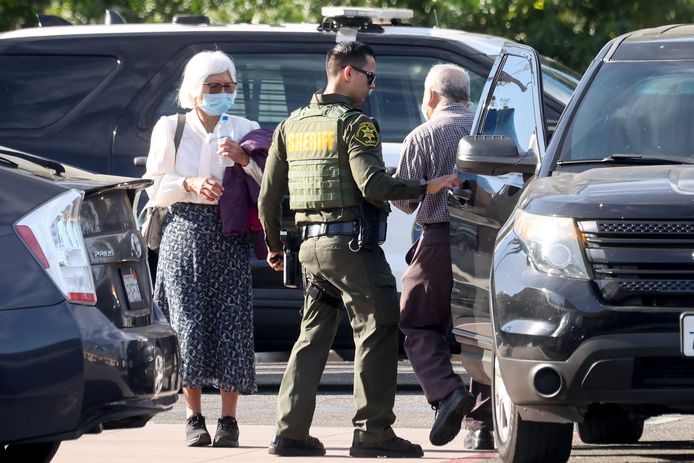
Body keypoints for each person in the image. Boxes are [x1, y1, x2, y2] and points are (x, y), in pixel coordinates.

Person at [258, 40, 463, 458]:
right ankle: (373, 433)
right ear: (348, 73)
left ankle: (289, 433)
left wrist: (275, 245)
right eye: (370, 76)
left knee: (311, 336)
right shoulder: (357, 124)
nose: (372, 85)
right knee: (380, 325)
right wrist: (429, 185)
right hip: (350, 246)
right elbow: (374, 185)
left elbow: (268, 197)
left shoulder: (291, 124)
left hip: (309, 249)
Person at [143, 50, 260, 448]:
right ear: (195, 91)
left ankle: (229, 420)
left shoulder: (245, 127)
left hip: (229, 233)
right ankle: (193, 417)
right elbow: (155, 186)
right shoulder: (171, 127)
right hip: (184, 231)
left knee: (231, 324)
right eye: (214, 87)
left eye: (229, 87)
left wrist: (244, 159)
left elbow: (269, 181)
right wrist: (191, 184)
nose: (223, 93)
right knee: (187, 325)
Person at [392, 63, 493, 450]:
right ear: (467, 96)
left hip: (437, 240)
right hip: (487, 242)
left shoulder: (423, 134)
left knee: (416, 322)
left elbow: (403, 199)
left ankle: (446, 392)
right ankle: (481, 425)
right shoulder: (488, 133)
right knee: (481, 329)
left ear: (432, 96)